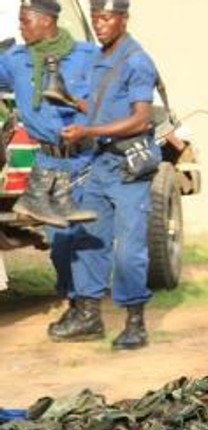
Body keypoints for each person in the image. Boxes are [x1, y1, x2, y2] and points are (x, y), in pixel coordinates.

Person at [53, 0, 161, 351]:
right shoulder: (101, 58)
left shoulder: (136, 60)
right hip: (100, 164)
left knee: (129, 250)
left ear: (123, 19)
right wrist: (68, 100)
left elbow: (141, 119)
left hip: (127, 165)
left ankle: (135, 323)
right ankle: (89, 316)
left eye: (107, 17)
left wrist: (88, 132)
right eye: (96, 17)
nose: (99, 24)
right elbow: (101, 105)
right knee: (88, 238)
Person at [0, 0, 98, 332]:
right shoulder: (14, 60)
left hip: (84, 157)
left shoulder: (87, 56)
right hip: (48, 161)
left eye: (25, 21)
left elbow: (112, 96)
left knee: (81, 237)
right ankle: (76, 304)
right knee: (59, 243)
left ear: (46, 21)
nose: (21, 28)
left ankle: (87, 311)